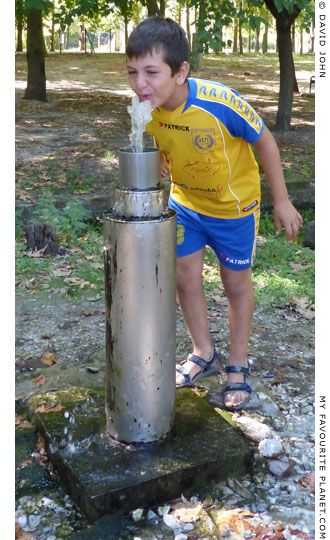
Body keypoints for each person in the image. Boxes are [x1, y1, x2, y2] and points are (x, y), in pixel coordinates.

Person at [125, 16, 303, 411]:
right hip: (186, 206)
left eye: (152, 72)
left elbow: (265, 140)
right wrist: (159, 164)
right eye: (133, 72)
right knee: (185, 278)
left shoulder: (217, 103)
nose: (141, 84)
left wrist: (282, 200)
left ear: (180, 71)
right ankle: (203, 352)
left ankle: (238, 363)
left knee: (235, 286)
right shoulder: (146, 109)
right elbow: (158, 142)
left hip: (233, 211)